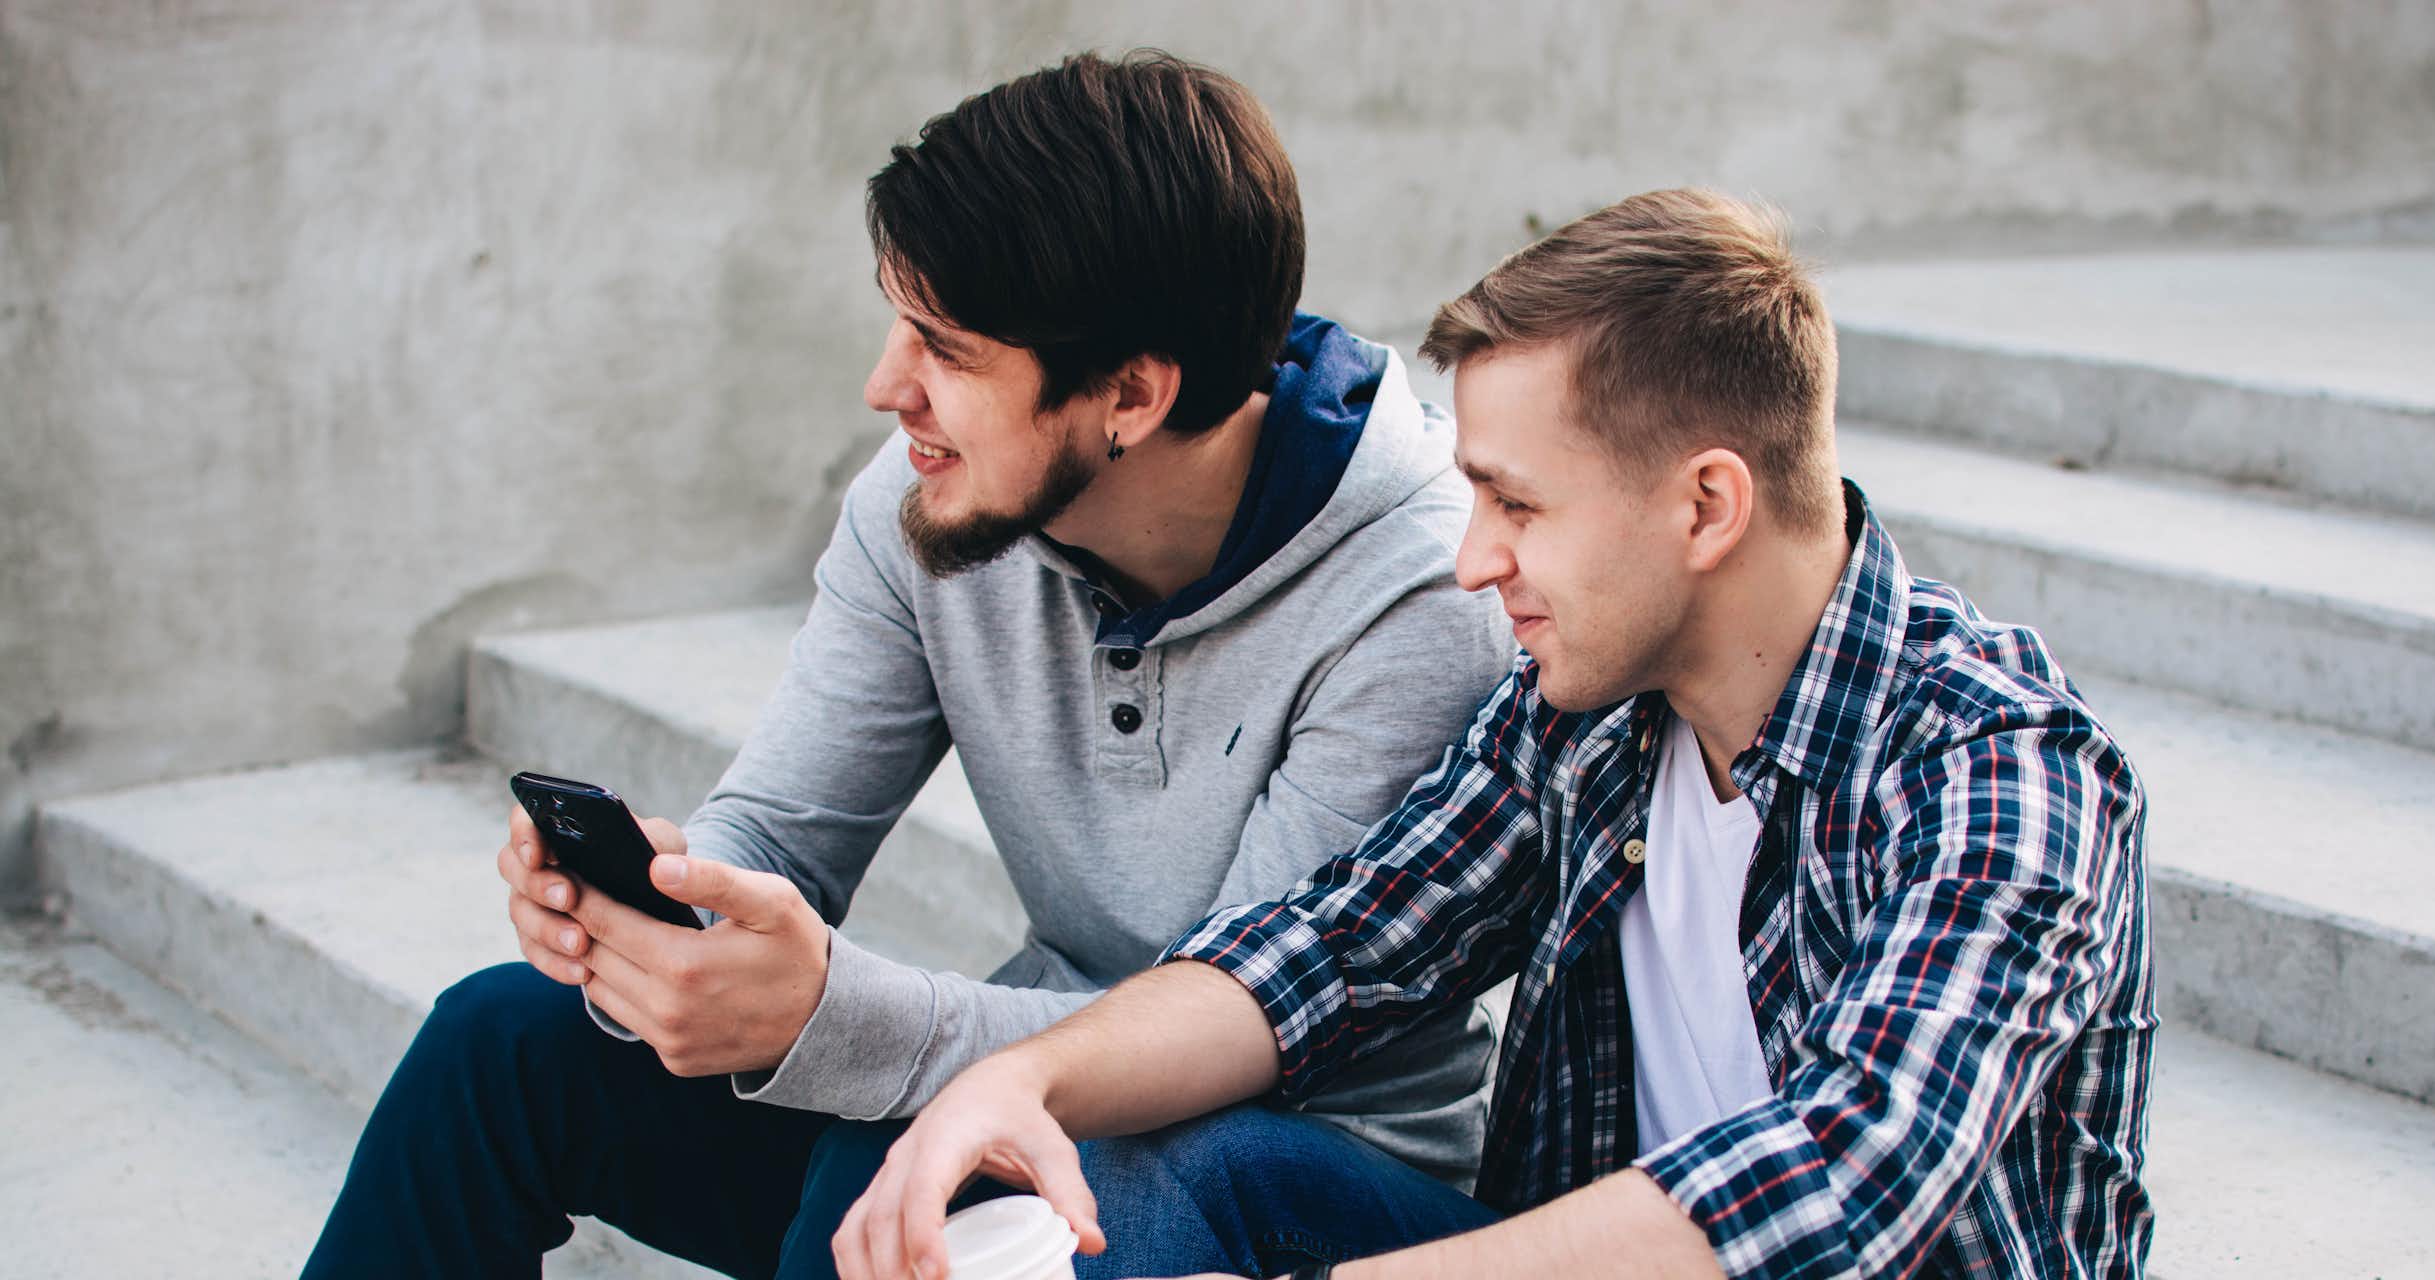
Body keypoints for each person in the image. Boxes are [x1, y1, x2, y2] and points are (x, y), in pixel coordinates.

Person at [302, 51, 1514, 1280]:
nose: (887, 388)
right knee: (501, 1043)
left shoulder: (1419, 595)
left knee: (903, 1186)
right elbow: (777, 829)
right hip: (1006, 1095)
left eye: (945, 347)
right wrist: (669, 935)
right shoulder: (935, 506)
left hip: (1293, 1163)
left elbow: (1234, 1023)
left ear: (1131, 394)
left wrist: (836, 1021)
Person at [838, 188, 2155, 1280]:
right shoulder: (1589, 716)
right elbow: (1335, 947)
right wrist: (1027, 1082)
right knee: (1148, 1167)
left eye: (1517, 505)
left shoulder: (1996, 764)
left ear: (1705, 508)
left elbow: (1852, 1164)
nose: (1474, 564)